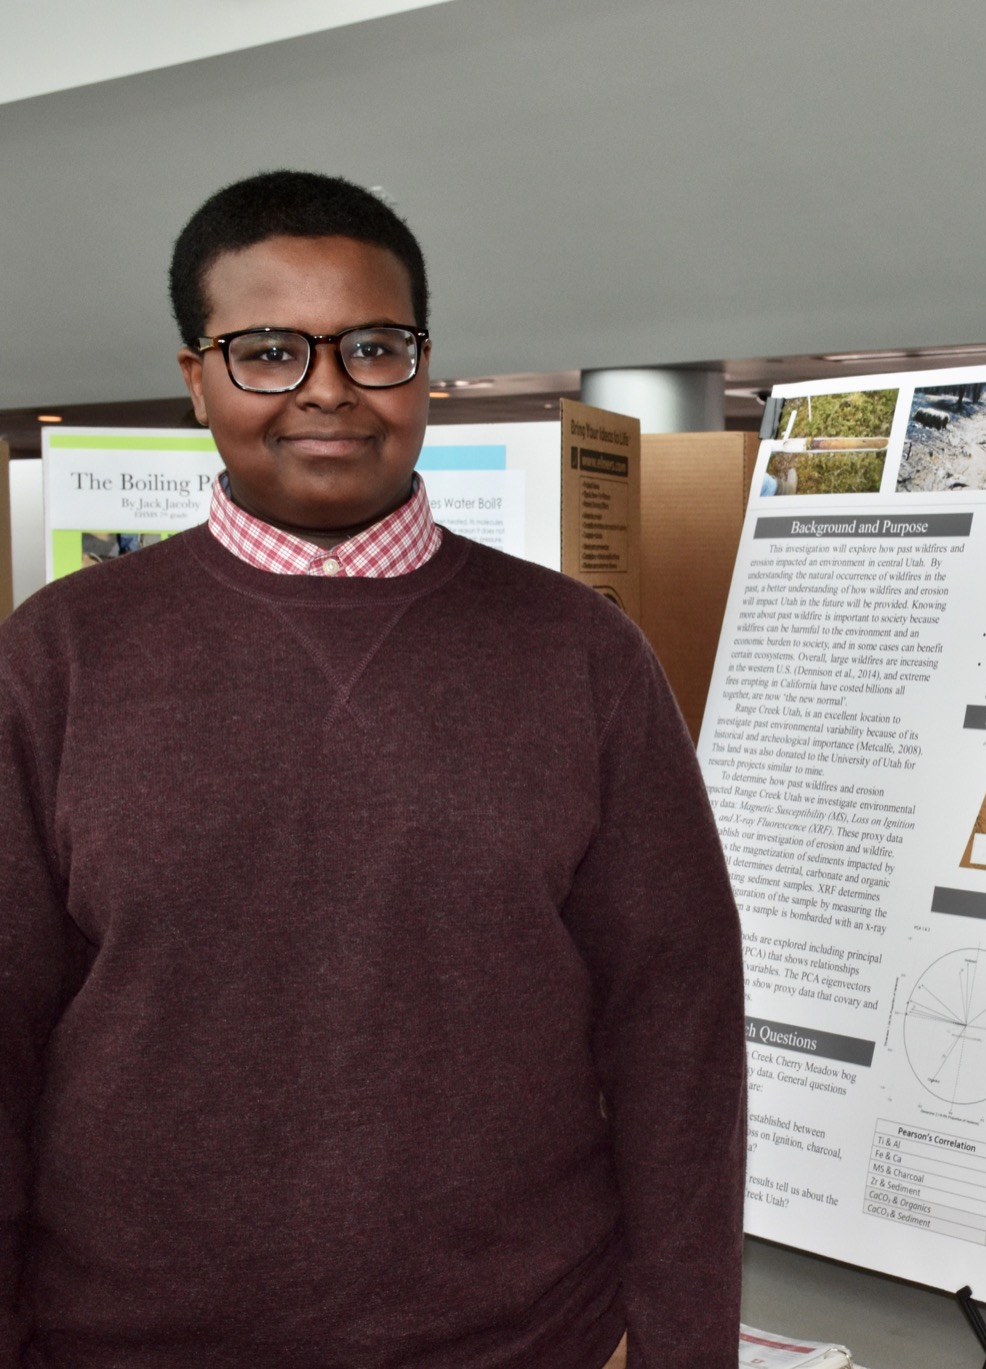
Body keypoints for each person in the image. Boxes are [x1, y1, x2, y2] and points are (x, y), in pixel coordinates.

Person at [0, 170, 745, 1368]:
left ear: (425, 367)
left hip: (519, 1338)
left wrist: (682, 1345)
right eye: (268, 352)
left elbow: (678, 1029)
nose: (328, 389)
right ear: (196, 377)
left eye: (373, 347)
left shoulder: (580, 654)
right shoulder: (57, 658)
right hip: (126, 1340)